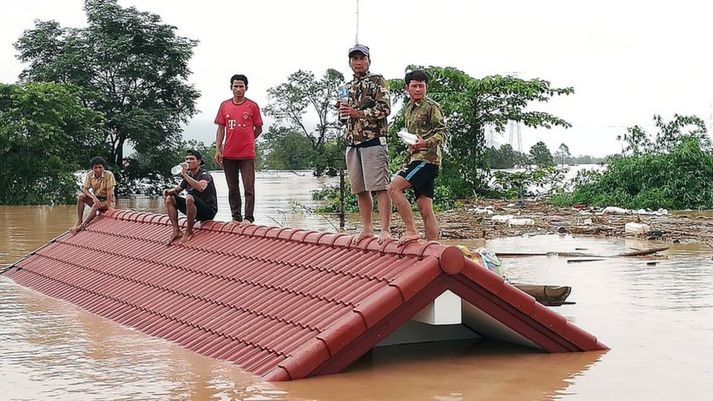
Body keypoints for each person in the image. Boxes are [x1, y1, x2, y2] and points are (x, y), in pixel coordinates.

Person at [339, 44, 392, 244]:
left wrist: (358, 113)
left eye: (362, 58)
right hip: (352, 142)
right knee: (359, 189)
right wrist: (343, 111)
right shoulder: (345, 87)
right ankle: (367, 228)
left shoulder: (377, 81)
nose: (358, 62)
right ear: (350, 62)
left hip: (373, 140)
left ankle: (385, 230)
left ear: (369, 60)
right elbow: (343, 117)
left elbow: (385, 109)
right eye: (355, 59)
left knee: (380, 186)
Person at [388, 70, 447, 244]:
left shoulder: (431, 106)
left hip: (427, 160)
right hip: (416, 158)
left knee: (393, 188)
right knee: (424, 207)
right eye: (414, 86)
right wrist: (412, 146)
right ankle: (432, 246)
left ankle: (411, 230)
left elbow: (443, 132)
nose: (418, 89)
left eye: (421, 85)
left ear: (426, 87)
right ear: (407, 88)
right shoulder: (408, 109)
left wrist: (424, 143)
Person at [214, 74, 264, 225]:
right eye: (235, 86)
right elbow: (221, 128)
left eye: (241, 86)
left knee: (249, 187)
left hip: (246, 154)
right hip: (229, 153)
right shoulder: (225, 106)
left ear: (246, 88)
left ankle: (248, 218)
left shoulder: (252, 106)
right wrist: (218, 149)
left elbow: (259, 128)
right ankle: (236, 217)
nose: (238, 89)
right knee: (232, 187)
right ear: (231, 88)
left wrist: (249, 139)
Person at [163, 149, 218, 244]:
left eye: (191, 159)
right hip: (193, 207)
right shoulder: (188, 177)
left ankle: (189, 231)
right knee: (170, 198)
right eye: (187, 159)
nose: (188, 161)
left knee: (189, 197)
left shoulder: (205, 175)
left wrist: (184, 175)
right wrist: (167, 191)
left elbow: (201, 187)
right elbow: (177, 190)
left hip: (207, 210)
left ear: (199, 162)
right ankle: (176, 230)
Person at [71, 156, 116, 234]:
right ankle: (79, 220)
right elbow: (85, 189)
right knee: (81, 197)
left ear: (103, 167)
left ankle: (82, 225)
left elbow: (110, 193)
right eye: (95, 167)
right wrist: (93, 197)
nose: (98, 169)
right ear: (92, 168)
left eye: (100, 167)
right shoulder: (89, 175)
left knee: (95, 205)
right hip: (97, 199)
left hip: (108, 200)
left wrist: (108, 206)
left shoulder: (109, 175)